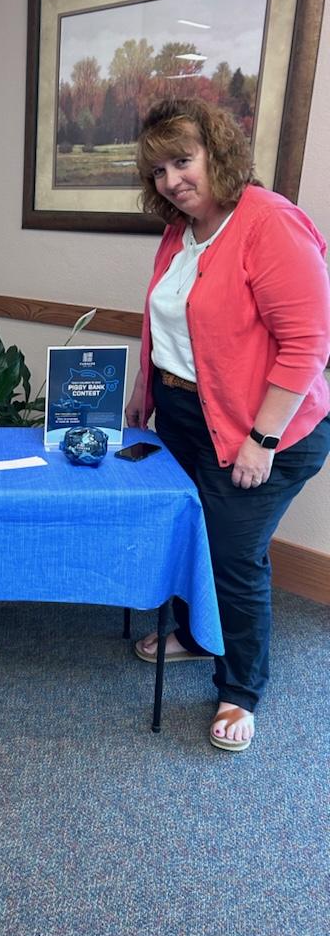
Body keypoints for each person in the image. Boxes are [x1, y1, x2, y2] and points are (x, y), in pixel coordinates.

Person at [125, 98, 330, 752]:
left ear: (219, 153)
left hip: (264, 429)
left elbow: (307, 345)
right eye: (157, 170)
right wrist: (144, 387)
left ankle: (241, 688)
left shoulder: (270, 223)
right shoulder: (180, 228)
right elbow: (164, 317)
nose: (171, 180)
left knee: (233, 558)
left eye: (182, 161)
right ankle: (192, 634)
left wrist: (261, 440)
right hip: (185, 412)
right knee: (191, 529)